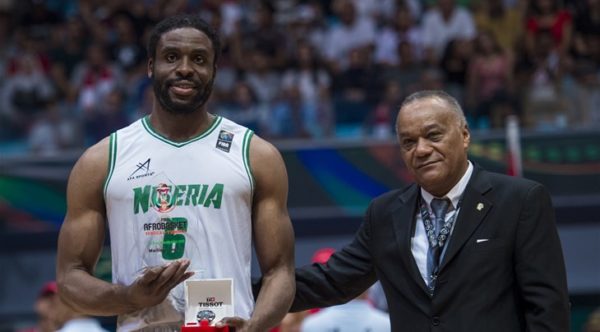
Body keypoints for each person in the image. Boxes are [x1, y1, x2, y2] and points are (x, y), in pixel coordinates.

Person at [56, 14, 295, 332]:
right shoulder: (102, 159)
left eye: (199, 59)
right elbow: (70, 278)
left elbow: (281, 270)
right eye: (172, 57)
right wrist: (129, 296)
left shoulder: (255, 154)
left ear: (214, 70)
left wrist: (254, 327)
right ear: (151, 66)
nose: (185, 68)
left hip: (222, 326)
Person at [277, 90, 570, 331]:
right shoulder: (384, 212)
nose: (421, 149)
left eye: (433, 135)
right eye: (408, 142)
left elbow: (547, 310)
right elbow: (331, 281)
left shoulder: (520, 201)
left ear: (464, 134)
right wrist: (243, 292)